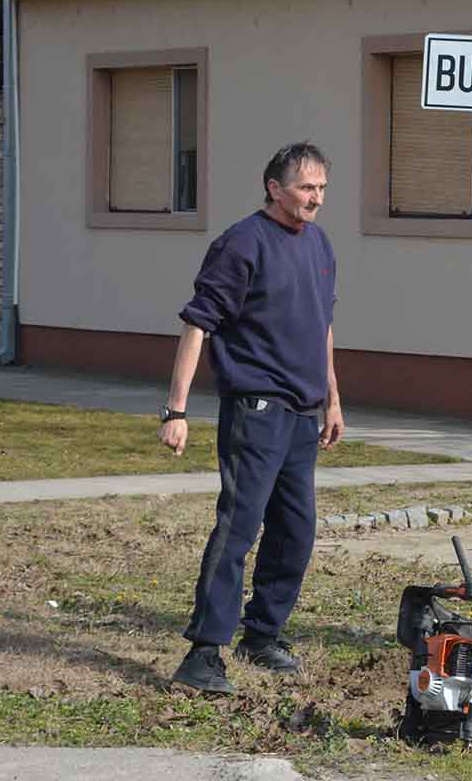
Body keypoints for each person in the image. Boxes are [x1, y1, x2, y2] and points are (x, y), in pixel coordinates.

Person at [160, 141, 344, 695]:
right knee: (238, 527)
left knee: (297, 529)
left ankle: (263, 634)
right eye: (306, 188)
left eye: (321, 190)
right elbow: (198, 324)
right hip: (255, 410)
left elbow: (322, 326)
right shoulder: (242, 243)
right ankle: (203, 654)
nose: (315, 199)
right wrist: (177, 410)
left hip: (303, 413)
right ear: (275, 188)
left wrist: (333, 398)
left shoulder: (319, 244)